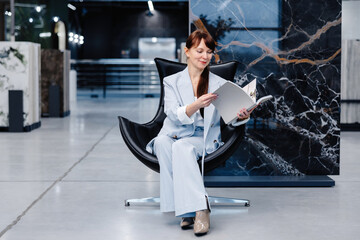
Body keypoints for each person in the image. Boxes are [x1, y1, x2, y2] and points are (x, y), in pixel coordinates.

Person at [146, 29, 251, 236]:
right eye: (200, 51)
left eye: (210, 52)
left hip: (201, 138)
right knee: (162, 143)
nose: (205, 56)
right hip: (174, 132)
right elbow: (172, 114)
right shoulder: (172, 81)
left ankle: (201, 207)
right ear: (187, 51)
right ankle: (185, 210)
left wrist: (240, 115)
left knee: (182, 147)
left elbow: (228, 117)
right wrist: (195, 105)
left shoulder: (219, 84)